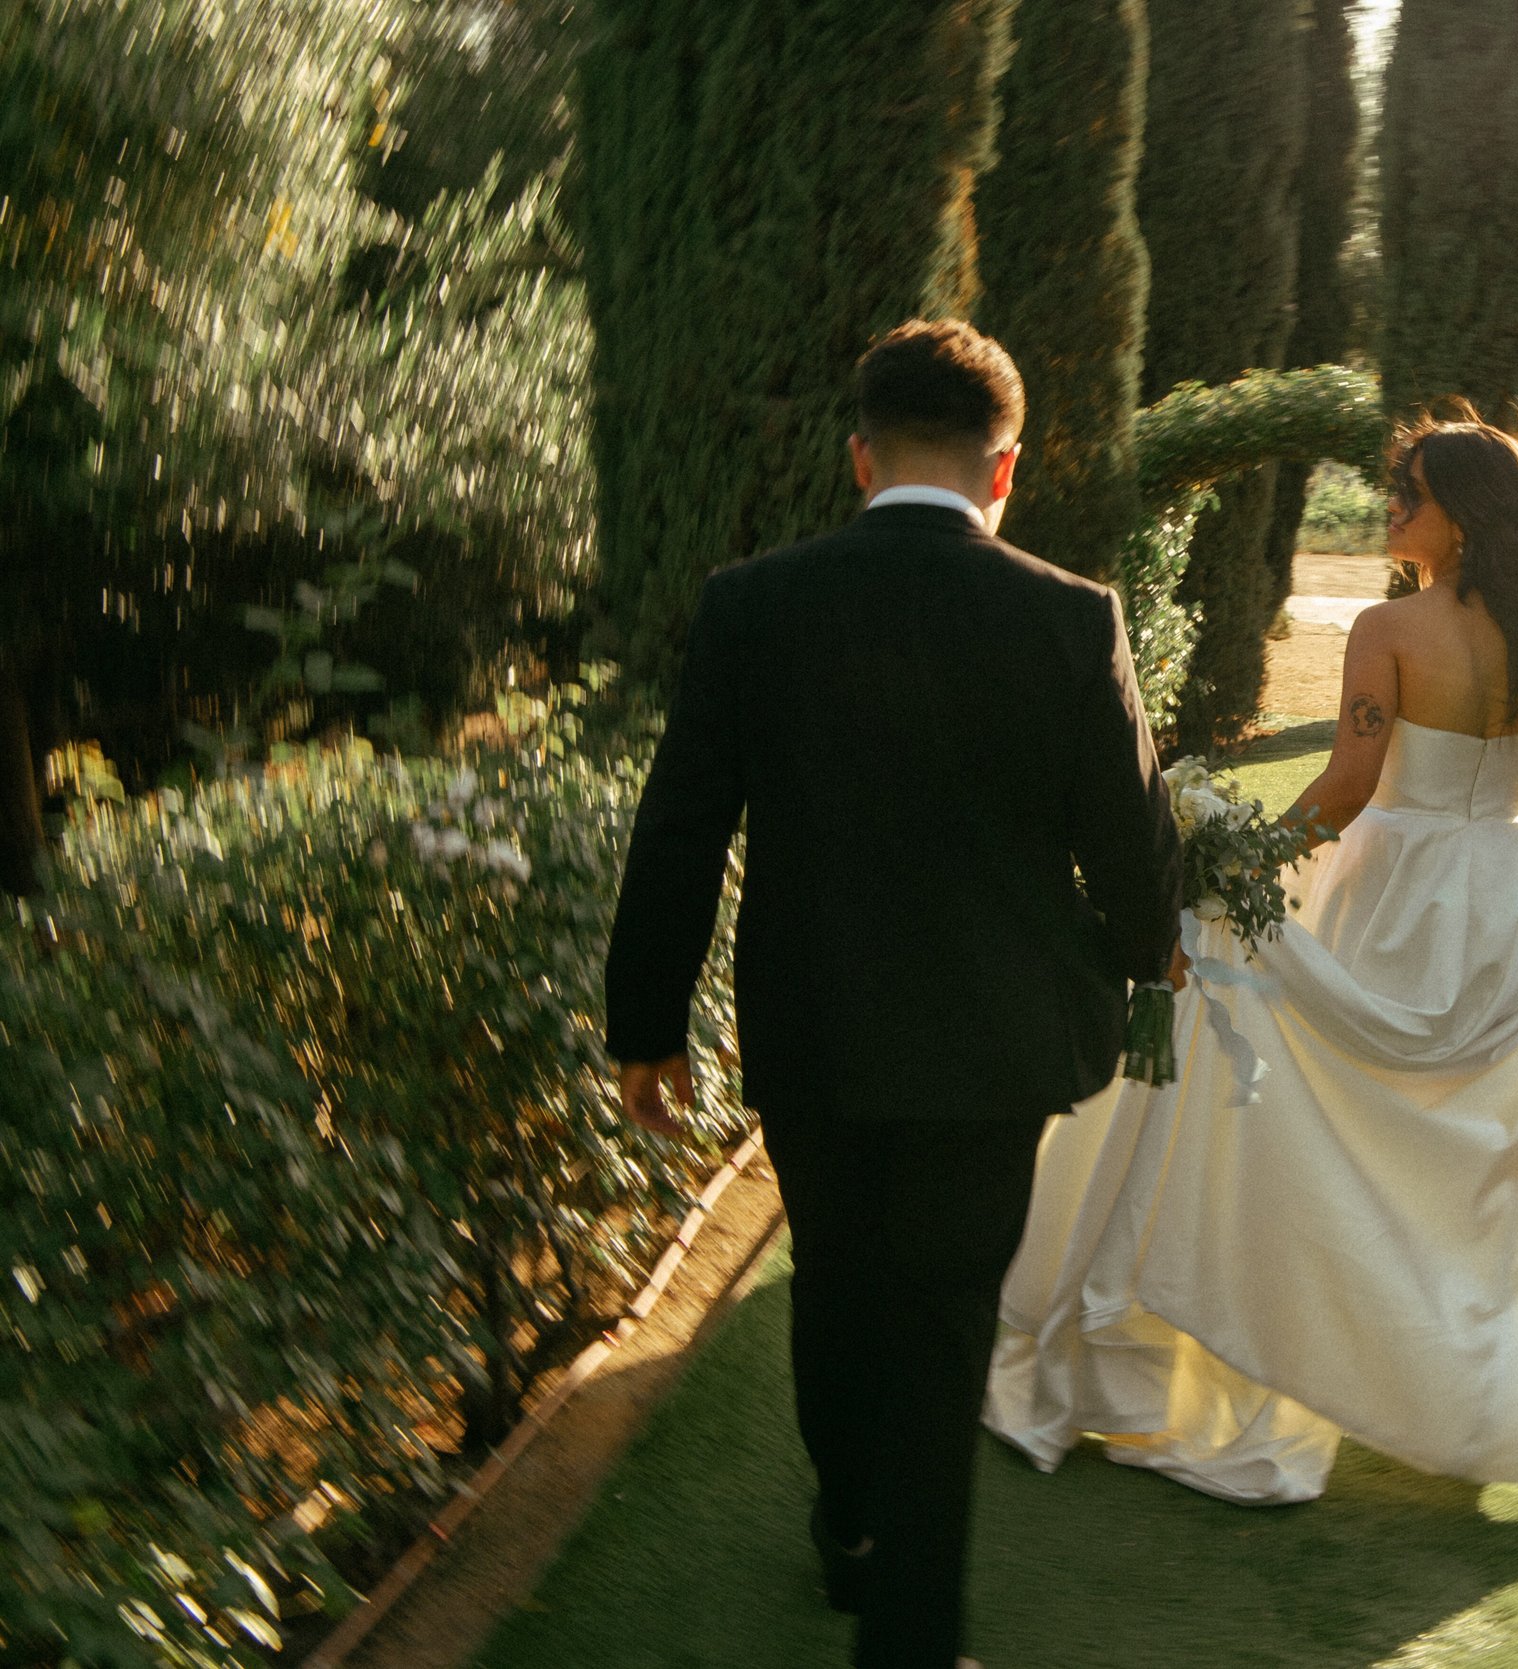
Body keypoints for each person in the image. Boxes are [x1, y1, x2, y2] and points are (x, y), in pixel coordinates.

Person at [604, 318, 1185, 1669]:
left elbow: (680, 827)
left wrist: (646, 1024)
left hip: (813, 1031)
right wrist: (1128, 958)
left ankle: (852, 1528)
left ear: (861, 458)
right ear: (1006, 469)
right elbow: (1135, 839)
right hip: (999, 1046)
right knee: (939, 1323)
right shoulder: (1069, 615)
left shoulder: (754, 605)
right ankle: (909, 1637)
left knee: (838, 1280)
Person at [985, 412, 1518, 1505]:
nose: (1391, 506)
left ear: (1458, 511)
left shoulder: (1389, 629)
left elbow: (1348, 790)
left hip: (1397, 892)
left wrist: (1235, 861)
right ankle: (1480, 1388)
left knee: (1330, 1136)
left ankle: (1292, 1373)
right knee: (1489, 1164)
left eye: (1409, 490)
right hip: (1507, 902)